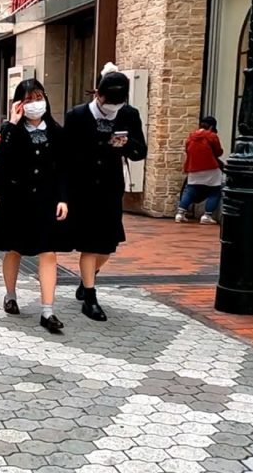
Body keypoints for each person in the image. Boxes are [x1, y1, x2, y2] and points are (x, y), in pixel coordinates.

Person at [0, 80, 69, 333]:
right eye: (29, 99)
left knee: (49, 252)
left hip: (46, 200)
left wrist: (64, 198)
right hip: (16, 200)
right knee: (13, 250)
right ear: (19, 103)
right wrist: (10, 123)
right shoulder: (11, 131)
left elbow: (64, 168)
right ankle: (10, 295)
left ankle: (48, 311)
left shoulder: (56, 131)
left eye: (39, 97)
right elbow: (1, 157)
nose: (35, 104)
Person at [64, 63, 147, 322]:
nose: (112, 107)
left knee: (107, 247)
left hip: (111, 188)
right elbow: (65, 155)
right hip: (83, 188)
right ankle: (90, 296)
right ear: (97, 94)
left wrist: (123, 142)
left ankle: (87, 279)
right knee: (89, 244)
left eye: (118, 102)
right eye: (108, 101)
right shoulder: (77, 115)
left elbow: (140, 151)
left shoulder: (128, 114)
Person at [176, 116, 224, 225]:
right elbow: (218, 152)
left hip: (193, 168)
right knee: (215, 191)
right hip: (211, 168)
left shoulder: (191, 137)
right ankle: (207, 215)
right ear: (212, 126)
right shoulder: (212, 136)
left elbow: (187, 150)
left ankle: (180, 213)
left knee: (190, 190)